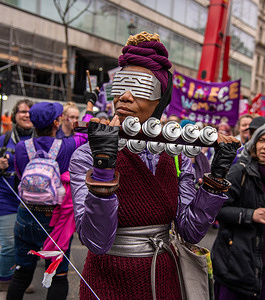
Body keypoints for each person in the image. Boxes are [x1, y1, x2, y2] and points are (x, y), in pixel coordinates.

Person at [69, 31, 239, 300]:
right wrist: (103, 166)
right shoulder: (86, 156)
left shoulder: (177, 155)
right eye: (120, 85)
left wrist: (216, 177)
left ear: (160, 98)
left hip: (163, 278)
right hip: (107, 281)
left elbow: (191, 231)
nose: (124, 97)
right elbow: (95, 241)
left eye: (139, 88)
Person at [7, 99, 94, 300]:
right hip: (54, 221)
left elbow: (19, 176)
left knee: (21, 274)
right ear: (56, 123)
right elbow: (84, 132)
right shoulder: (67, 146)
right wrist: (88, 106)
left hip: (25, 215)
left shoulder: (21, 147)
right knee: (58, 277)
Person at [212, 123, 265, 299]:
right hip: (238, 262)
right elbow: (217, 210)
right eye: (261, 140)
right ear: (254, 144)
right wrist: (250, 215)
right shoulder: (239, 172)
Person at [0, 99, 35, 300]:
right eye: (22, 112)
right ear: (15, 115)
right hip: (4, 201)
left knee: (26, 246)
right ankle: (3, 286)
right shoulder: (5, 139)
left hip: (31, 202)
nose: (26, 115)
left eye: (30, 112)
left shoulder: (41, 138)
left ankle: (20, 279)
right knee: (8, 245)